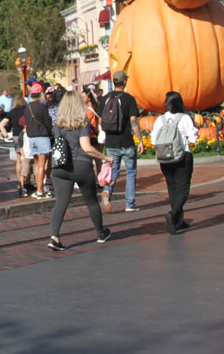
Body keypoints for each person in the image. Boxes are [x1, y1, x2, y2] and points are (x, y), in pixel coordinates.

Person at [46, 90, 111, 251]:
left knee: (61, 202)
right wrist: (104, 157)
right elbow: (87, 148)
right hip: (81, 165)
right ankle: (100, 233)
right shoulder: (82, 122)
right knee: (91, 201)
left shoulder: (57, 124)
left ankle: (54, 237)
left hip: (60, 167)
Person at [150, 91, 198, 234]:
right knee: (183, 188)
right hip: (182, 156)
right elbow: (193, 138)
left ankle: (178, 221)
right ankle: (174, 214)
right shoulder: (185, 118)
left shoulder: (160, 119)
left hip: (165, 158)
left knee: (172, 188)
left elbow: (153, 140)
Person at [98, 71, 145, 212]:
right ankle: (129, 204)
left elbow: (101, 121)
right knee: (131, 172)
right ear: (124, 82)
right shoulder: (129, 99)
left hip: (111, 142)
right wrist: (140, 140)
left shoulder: (104, 99)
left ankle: (107, 190)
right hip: (127, 142)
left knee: (113, 171)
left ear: (114, 82)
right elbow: (133, 121)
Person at [23, 82, 53, 198]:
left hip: (32, 138)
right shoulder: (42, 107)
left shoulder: (27, 107)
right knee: (41, 165)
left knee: (36, 165)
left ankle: (38, 188)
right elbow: (48, 123)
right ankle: (40, 190)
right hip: (42, 137)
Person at [0, 94, 30, 197]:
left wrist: (5, 135)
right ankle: (27, 181)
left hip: (17, 136)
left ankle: (20, 181)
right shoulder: (28, 110)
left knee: (19, 160)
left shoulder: (12, 112)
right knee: (28, 159)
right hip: (27, 135)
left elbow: (1, 124)